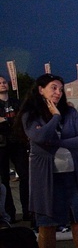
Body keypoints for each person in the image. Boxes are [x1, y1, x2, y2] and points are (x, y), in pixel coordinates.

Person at [19, 74, 78, 248]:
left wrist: (57, 140)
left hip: (73, 175)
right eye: (53, 88)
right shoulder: (30, 114)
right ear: (40, 90)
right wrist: (55, 117)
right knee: (47, 225)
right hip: (46, 179)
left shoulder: (71, 113)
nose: (58, 92)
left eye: (60, 88)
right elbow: (39, 138)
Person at [0, 75, 30, 222]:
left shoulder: (16, 102)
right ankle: (9, 214)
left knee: (25, 176)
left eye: (4, 82)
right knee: (4, 179)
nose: (2, 84)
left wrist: (6, 120)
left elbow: (22, 119)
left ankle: (28, 211)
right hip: (2, 145)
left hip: (18, 143)